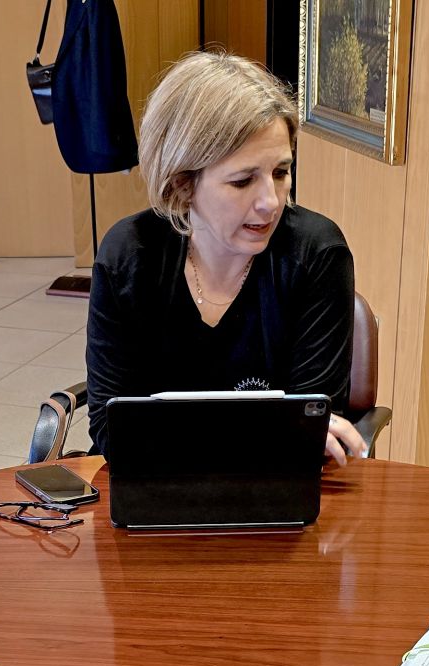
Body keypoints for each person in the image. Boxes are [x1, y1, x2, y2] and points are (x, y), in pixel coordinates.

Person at [84, 50, 367, 466]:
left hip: (271, 485)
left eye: (281, 172)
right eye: (243, 181)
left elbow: (310, 430)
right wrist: (268, 431)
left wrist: (176, 434)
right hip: (150, 484)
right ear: (182, 185)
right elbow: (112, 429)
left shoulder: (317, 255)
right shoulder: (129, 256)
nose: (271, 202)